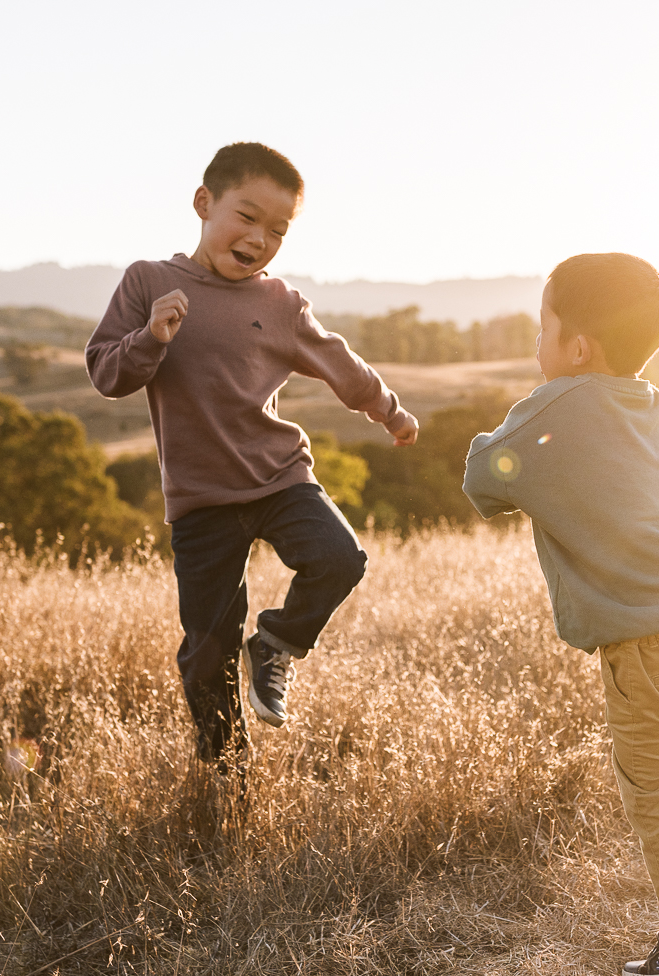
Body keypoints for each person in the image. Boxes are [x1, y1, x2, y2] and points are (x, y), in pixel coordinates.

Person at [86, 142, 419, 769]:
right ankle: (227, 771)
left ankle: (275, 643)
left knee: (339, 558)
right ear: (204, 203)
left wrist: (390, 411)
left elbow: (340, 363)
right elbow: (107, 372)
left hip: (278, 476)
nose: (259, 237)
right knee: (205, 653)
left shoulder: (280, 304)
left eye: (278, 229)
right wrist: (150, 337)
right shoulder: (148, 282)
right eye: (247, 216)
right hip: (202, 501)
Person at [462, 252, 659, 976]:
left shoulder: (551, 407)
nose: (535, 343)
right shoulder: (656, 407)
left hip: (641, 634)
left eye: (541, 326)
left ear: (576, 345)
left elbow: (482, 481)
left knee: (650, 789)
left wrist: (497, 439)